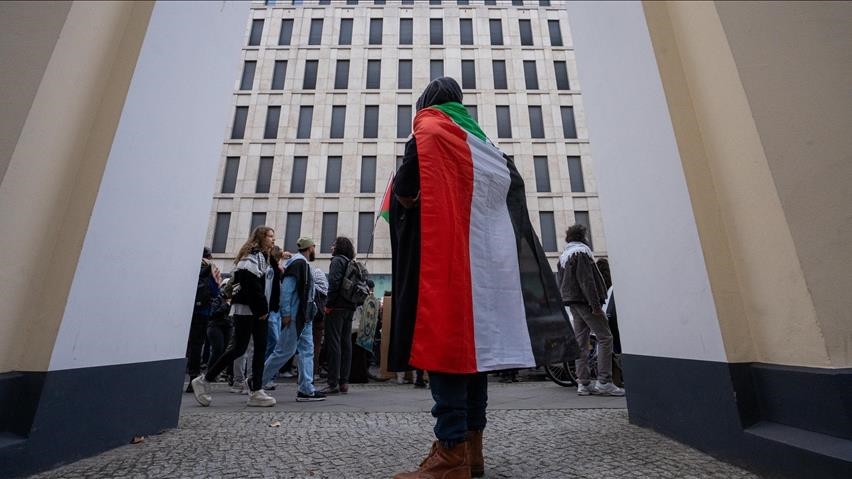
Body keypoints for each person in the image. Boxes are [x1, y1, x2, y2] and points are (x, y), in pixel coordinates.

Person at [389, 77, 578, 479]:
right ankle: (473, 451)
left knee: (446, 351)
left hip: (447, 261)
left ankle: (450, 452)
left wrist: (412, 202)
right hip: (489, 268)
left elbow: (406, 187)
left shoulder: (429, 128)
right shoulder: (484, 144)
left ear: (427, 103)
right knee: (475, 357)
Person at [191, 226, 277, 407]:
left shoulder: (263, 258)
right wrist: (262, 309)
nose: (273, 240)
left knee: (258, 347)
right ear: (261, 237)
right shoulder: (251, 257)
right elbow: (250, 285)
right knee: (239, 348)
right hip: (248, 310)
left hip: (257, 310)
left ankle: (255, 388)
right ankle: (205, 379)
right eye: (270, 236)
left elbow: (267, 283)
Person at [557, 224, 625, 397]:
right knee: (605, 337)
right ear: (583, 236)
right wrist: (595, 305)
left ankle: (584, 383)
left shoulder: (564, 256)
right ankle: (604, 381)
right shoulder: (581, 253)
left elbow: (562, 281)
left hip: (573, 303)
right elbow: (587, 281)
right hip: (585, 302)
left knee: (581, 342)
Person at [262, 237, 326, 401]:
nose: (314, 250)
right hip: (296, 317)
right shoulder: (298, 264)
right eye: (313, 247)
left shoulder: (301, 263)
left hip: (303, 317)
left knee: (306, 351)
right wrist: (286, 314)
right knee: (284, 351)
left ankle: (306, 389)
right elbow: (287, 291)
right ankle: (256, 381)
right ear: (309, 248)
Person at [321, 236, 359, 395]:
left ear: (339, 247)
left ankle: (332, 382)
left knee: (334, 343)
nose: (331, 247)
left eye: (334, 244)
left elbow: (334, 283)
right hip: (349, 306)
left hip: (336, 307)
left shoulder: (337, 261)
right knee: (346, 343)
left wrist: (328, 305)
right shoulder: (352, 262)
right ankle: (344, 381)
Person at [185, 247, 218, 392]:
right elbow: (216, 290)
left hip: (188, 310)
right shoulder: (211, 268)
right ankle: (194, 378)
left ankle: (191, 373)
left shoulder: (190, 265)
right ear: (209, 255)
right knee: (200, 344)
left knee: (191, 345)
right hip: (204, 311)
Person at [311, 264, 329, 379]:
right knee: (317, 344)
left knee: (309, 345)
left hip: (311, 317)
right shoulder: (325, 289)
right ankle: (316, 371)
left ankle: (309, 371)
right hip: (320, 317)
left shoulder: (312, 288)